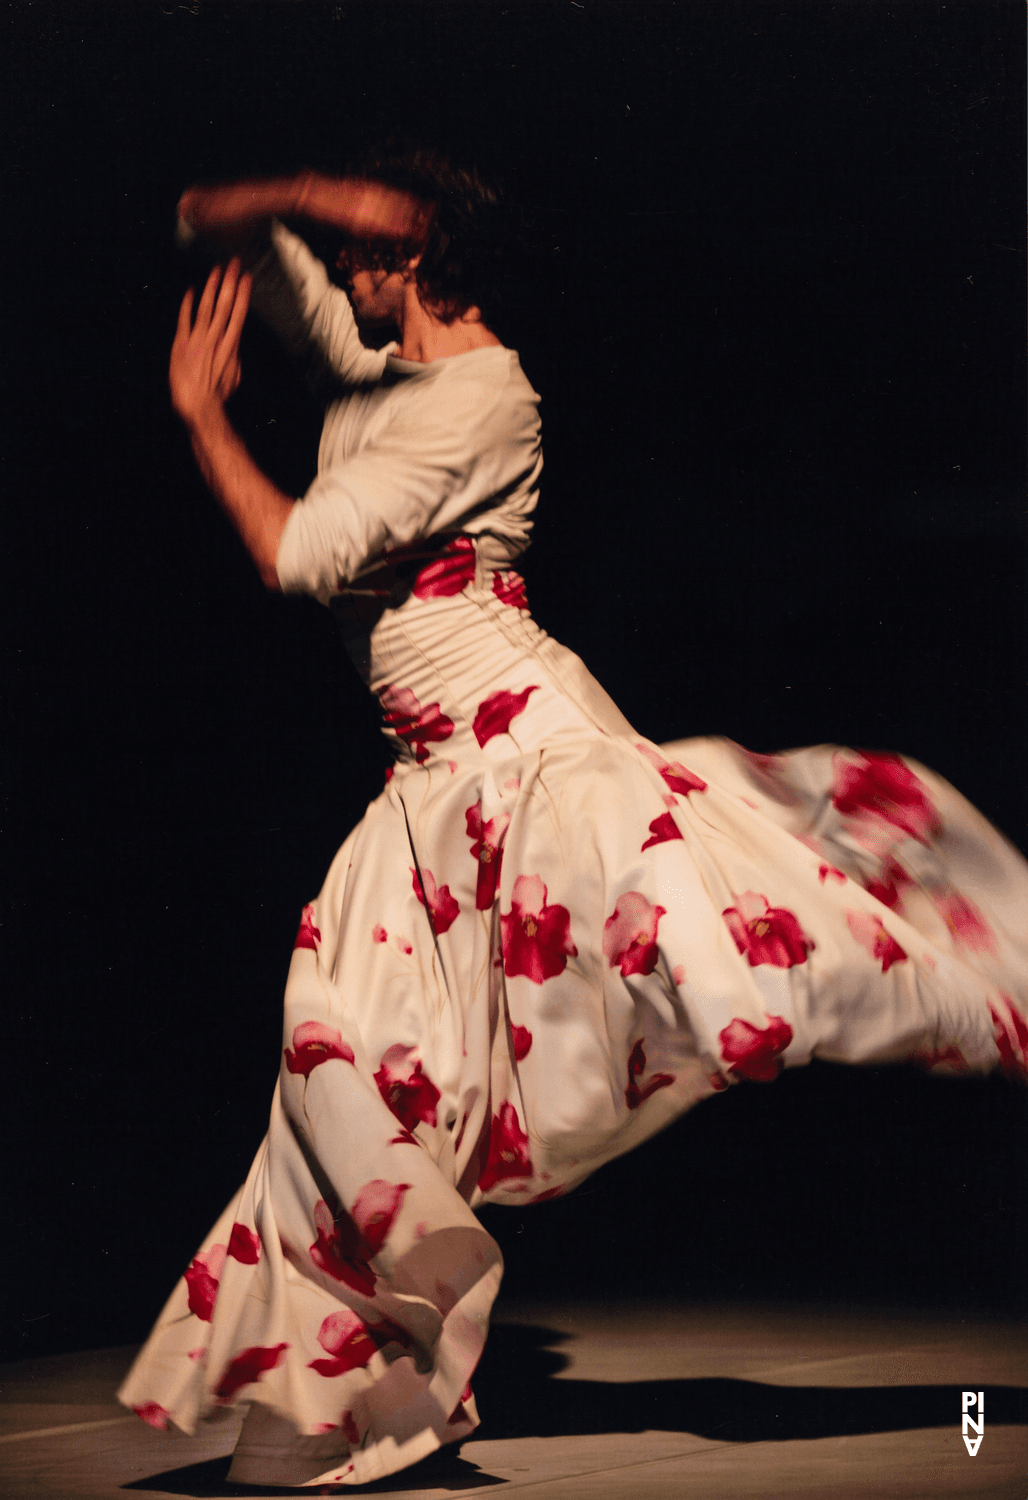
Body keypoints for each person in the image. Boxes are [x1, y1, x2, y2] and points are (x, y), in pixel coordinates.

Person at [118, 148, 1028, 1489]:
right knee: (341, 1056)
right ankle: (358, 1395)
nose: (344, 283)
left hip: (527, 758)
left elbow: (294, 554)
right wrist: (291, 202)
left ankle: (1006, 998)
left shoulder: (481, 396)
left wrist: (201, 418)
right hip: (429, 790)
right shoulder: (388, 366)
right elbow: (250, 244)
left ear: (415, 260)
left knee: (761, 956)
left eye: (367, 255)